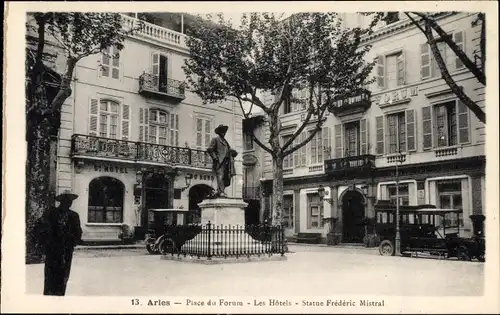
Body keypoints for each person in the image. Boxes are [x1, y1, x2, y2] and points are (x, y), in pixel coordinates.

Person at [38, 189, 82, 296]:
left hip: (66, 251)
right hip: (52, 250)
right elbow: (41, 228)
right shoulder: (51, 213)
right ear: (61, 201)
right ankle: (49, 297)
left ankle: (60, 296)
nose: (69, 202)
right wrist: (47, 243)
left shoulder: (74, 216)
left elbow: (78, 233)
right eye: (66, 200)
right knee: (50, 275)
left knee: (63, 276)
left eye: (70, 200)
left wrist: (71, 240)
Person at [206, 124, 238, 197]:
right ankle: (221, 191)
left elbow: (228, 150)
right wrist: (215, 158)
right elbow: (210, 149)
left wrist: (233, 152)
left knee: (225, 177)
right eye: (222, 131)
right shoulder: (216, 139)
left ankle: (220, 191)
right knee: (220, 176)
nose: (224, 132)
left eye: (225, 131)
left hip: (227, 162)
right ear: (219, 132)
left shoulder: (225, 142)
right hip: (219, 161)